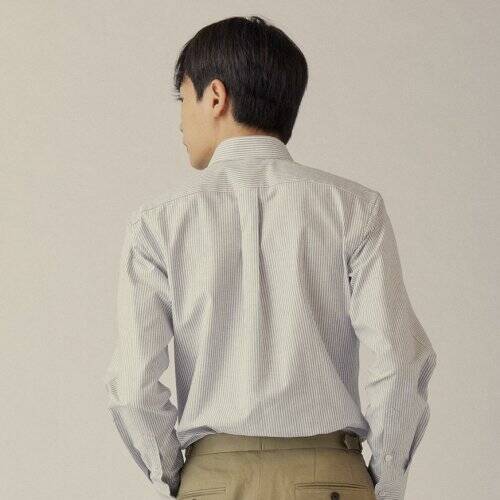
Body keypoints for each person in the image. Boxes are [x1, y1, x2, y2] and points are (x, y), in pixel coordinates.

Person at [103, 15, 437, 500]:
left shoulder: (157, 223)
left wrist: (181, 478)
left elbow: (134, 386)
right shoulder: (355, 208)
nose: (180, 120)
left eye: (183, 98)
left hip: (214, 480)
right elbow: (401, 359)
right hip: (334, 479)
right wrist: (384, 483)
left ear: (215, 97)